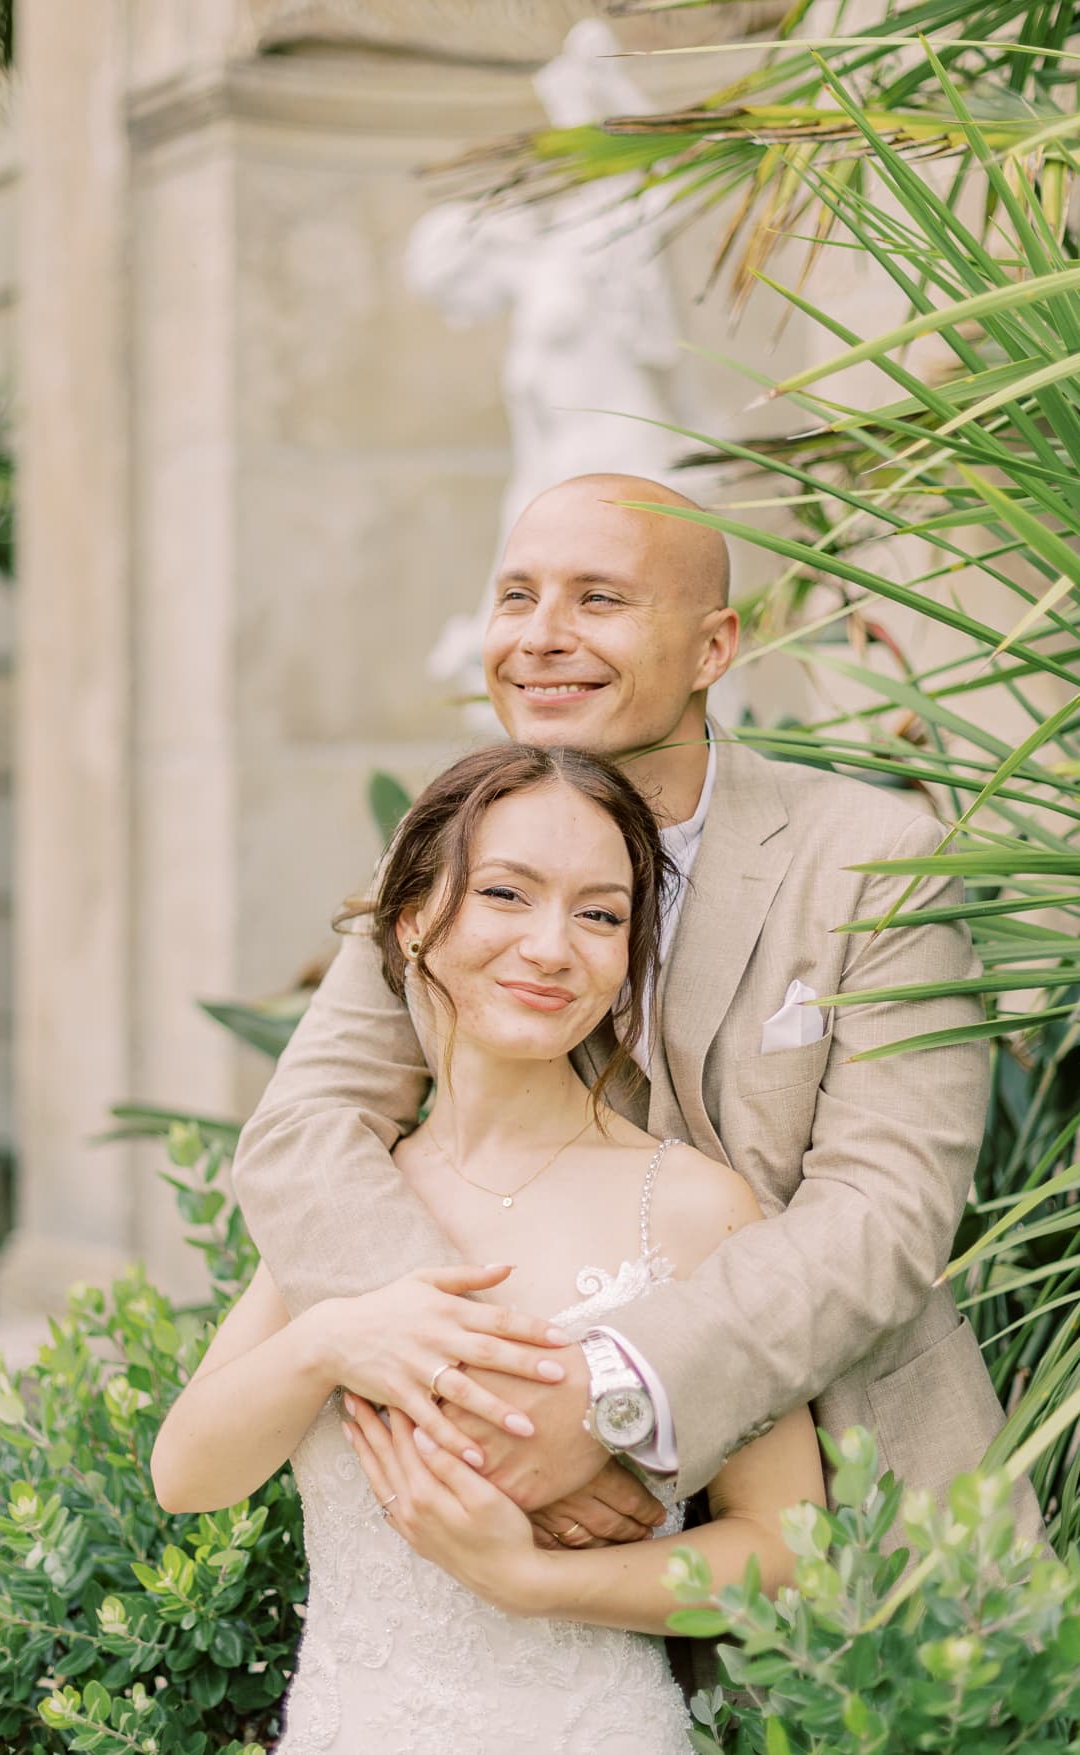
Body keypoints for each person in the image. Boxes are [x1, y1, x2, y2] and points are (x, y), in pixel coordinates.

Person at [230, 471, 1042, 1560]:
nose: (540, 637)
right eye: (516, 596)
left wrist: (613, 1402)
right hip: (514, 1550)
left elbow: (883, 1216)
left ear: (715, 648)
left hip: (866, 1538)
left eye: (598, 600)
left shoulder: (874, 860)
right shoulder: (451, 858)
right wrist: (495, 1410)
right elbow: (301, 1134)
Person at [151, 744, 825, 1753]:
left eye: (600, 914)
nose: (552, 947)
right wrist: (329, 1342)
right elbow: (185, 1475)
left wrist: (537, 1582)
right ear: (414, 917)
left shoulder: (692, 1206)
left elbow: (785, 1549)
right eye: (507, 894)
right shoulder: (353, 1198)